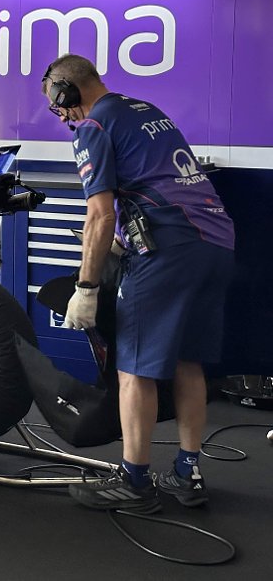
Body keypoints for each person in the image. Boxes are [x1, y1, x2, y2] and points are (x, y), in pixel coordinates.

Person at [39, 54, 235, 513]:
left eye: (56, 104)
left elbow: (99, 215)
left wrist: (86, 288)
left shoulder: (94, 126)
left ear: (67, 91)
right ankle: (188, 473)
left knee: (134, 368)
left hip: (167, 249)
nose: (60, 115)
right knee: (187, 360)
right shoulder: (146, 110)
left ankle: (135, 480)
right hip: (216, 242)